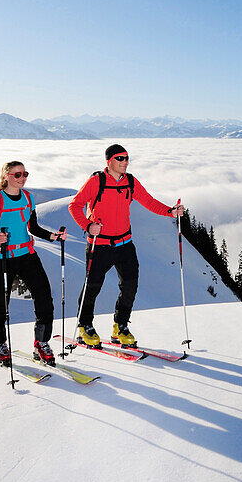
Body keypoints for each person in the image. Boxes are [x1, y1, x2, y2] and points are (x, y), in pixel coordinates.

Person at [69, 144, 184, 347]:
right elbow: (75, 205)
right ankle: (84, 325)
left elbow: (148, 201)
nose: (125, 162)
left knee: (130, 285)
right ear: (109, 161)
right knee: (92, 286)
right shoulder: (96, 182)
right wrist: (87, 225)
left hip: (125, 243)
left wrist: (170, 211)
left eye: (127, 158)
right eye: (120, 158)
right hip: (100, 245)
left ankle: (120, 326)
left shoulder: (130, 181)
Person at [0, 160, 66, 367]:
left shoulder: (28, 198)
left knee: (44, 298)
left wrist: (52, 236)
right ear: (6, 176)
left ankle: (41, 342)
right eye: (17, 175)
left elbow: (34, 228)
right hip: (1, 257)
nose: (22, 178)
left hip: (27, 255)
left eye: (25, 174)